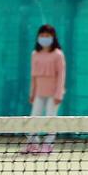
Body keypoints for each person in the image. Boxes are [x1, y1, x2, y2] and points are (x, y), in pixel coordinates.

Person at [25, 24, 65, 155]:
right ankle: (32, 144)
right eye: (42, 36)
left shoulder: (58, 54)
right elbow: (33, 75)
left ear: (53, 37)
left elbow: (61, 75)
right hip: (39, 93)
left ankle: (48, 145)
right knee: (33, 118)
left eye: (47, 36)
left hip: (53, 94)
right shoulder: (35, 54)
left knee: (50, 119)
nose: (44, 38)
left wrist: (58, 94)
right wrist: (32, 93)